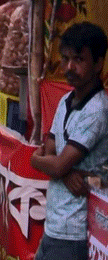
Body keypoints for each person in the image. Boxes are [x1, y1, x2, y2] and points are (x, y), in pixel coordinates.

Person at [30, 23, 108, 260]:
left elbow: (50, 160)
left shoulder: (96, 111)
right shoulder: (66, 100)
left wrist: (38, 160)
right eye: (65, 59)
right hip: (54, 224)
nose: (69, 67)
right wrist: (62, 171)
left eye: (79, 59)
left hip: (75, 231)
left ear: (98, 63)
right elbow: (52, 154)